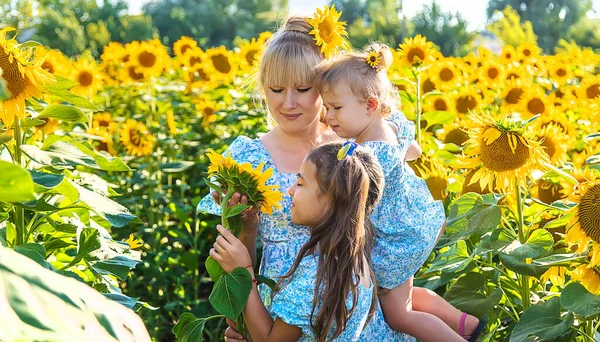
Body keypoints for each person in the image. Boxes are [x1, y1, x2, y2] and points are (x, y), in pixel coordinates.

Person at [198, 15, 414, 342]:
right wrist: (246, 227)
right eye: (275, 89)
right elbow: (234, 257)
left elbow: (405, 165)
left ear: (326, 89)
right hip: (275, 305)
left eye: (302, 89)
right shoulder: (246, 157)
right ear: (262, 88)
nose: (288, 103)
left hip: (347, 301)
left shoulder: (348, 149)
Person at [313, 43, 486, 342]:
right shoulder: (391, 125)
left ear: (369, 104)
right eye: (326, 108)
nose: (328, 116)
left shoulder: (371, 155)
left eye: (336, 108)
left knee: (398, 314)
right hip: (417, 220)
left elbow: (351, 194)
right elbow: (415, 151)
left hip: (397, 239)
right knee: (404, 296)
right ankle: (466, 325)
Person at [211, 142, 383, 341]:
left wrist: (243, 270)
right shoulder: (349, 260)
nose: (291, 191)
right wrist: (249, 229)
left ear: (332, 198)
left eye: (300, 184)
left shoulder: (319, 272)